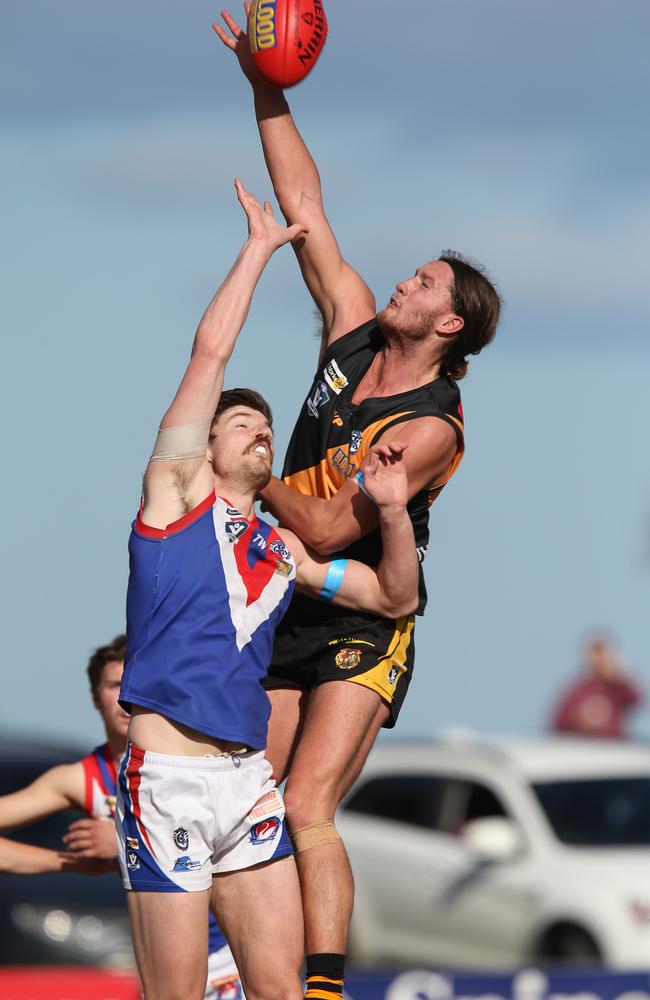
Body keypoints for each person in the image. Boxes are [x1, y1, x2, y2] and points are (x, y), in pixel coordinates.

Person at [213, 12, 502, 996]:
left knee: (304, 806)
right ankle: (254, 972)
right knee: (242, 798)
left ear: (446, 321)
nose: (399, 278)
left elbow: (337, 524)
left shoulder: (432, 425)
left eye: (419, 281)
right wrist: (264, 83)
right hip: (286, 594)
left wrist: (252, 480)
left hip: (363, 606)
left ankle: (326, 988)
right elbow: (304, 201)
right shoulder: (347, 329)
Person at [116, 177, 419, 1000]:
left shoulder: (279, 548)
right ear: (204, 444)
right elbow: (209, 356)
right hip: (169, 776)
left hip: (247, 780)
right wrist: (257, 250)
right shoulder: (175, 498)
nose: (259, 429)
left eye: (264, 425)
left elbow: (395, 601)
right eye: (239, 423)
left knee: (281, 993)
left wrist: (391, 513)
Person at [0, 634, 243, 1000]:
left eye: (138, 682)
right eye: (116, 685)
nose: (128, 696)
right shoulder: (80, 779)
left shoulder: (197, 762)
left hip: (231, 958)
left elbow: (233, 843)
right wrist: (74, 863)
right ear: (95, 698)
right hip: (158, 967)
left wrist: (121, 840)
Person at [550, 634, 643, 739]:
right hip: (581, 747)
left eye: (602, 653)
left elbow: (637, 699)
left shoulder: (617, 687)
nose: (599, 659)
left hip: (611, 747)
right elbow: (558, 722)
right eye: (595, 653)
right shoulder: (576, 689)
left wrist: (619, 673)